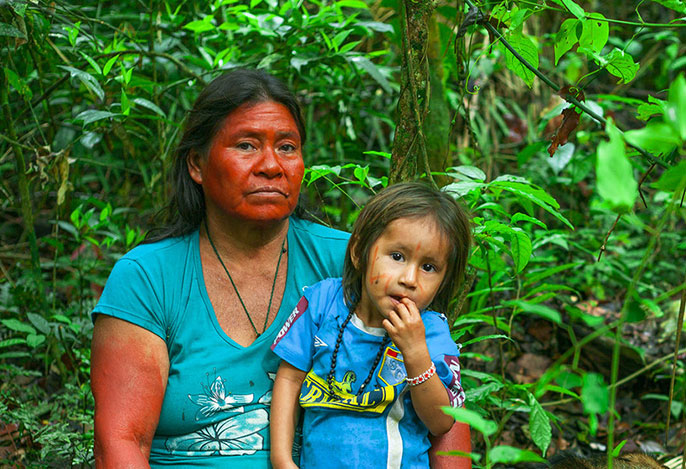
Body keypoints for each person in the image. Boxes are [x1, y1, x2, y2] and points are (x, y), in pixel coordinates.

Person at [90, 68, 471, 469]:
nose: (272, 165)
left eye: (287, 147)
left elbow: (446, 420)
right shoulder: (148, 278)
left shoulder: (362, 267)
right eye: (246, 145)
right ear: (197, 165)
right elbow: (120, 442)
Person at [270, 182, 471, 469]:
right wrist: (281, 459)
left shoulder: (432, 332)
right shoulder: (321, 303)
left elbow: (441, 423)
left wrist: (415, 352)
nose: (410, 279)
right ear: (358, 252)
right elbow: (289, 379)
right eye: (397, 257)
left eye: (429, 267)